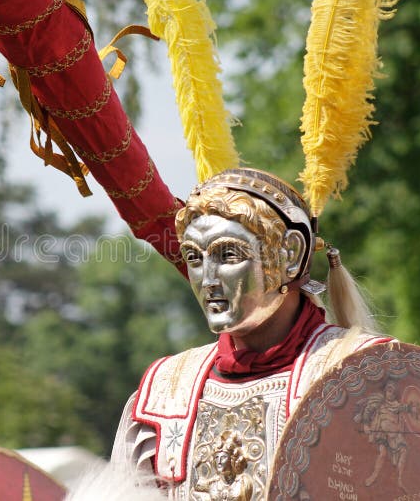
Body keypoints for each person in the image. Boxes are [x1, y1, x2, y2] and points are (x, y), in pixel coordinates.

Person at [111, 168, 394, 499]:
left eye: (227, 254)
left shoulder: (363, 372)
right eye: (194, 257)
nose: (207, 279)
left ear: (289, 253)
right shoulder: (165, 390)